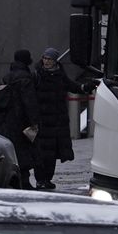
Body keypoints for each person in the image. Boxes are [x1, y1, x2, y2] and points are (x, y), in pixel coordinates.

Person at [31, 46, 86, 190]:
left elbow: (71, 85)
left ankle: (47, 179)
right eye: (45, 58)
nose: (46, 61)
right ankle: (40, 180)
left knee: (52, 153)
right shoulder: (37, 75)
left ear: (55, 61)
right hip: (42, 122)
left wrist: (84, 88)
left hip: (57, 121)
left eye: (49, 59)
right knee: (41, 153)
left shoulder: (60, 74)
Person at [0, 49, 40, 189]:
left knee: (14, 151)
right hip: (21, 121)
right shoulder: (25, 78)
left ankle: (15, 178)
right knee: (24, 152)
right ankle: (25, 181)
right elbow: (29, 102)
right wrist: (34, 121)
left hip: (7, 120)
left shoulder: (7, 77)